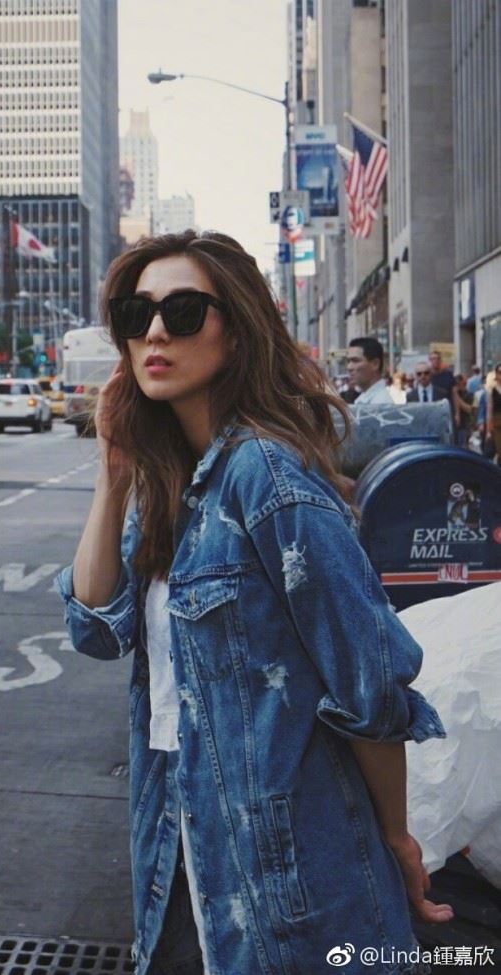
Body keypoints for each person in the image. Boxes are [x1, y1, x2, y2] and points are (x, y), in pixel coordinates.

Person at [57, 231, 452, 975]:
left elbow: (367, 683)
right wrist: (112, 475)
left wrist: (395, 837)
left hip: (288, 869)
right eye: (136, 314)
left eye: (182, 311)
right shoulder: (168, 482)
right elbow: (95, 628)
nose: (154, 332)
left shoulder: (265, 477)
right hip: (175, 845)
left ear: (235, 332)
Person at [346, 337, 394, 404]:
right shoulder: (367, 398)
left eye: (356, 361)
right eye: (348, 361)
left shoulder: (381, 402)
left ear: (375, 364)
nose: (349, 367)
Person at [485, 362, 501, 463]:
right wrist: (488, 429)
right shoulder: (492, 390)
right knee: (499, 449)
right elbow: (489, 409)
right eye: (500, 372)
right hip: (497, 422)